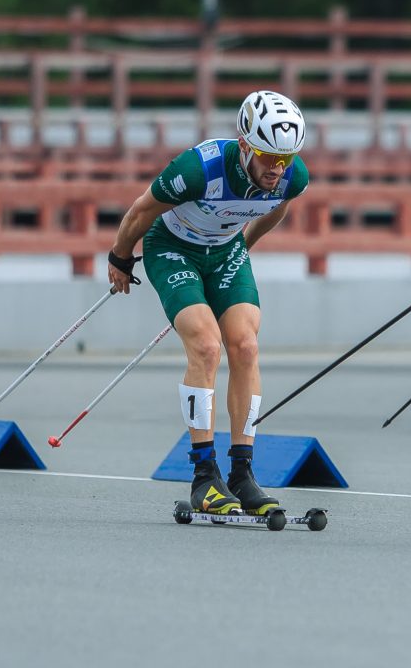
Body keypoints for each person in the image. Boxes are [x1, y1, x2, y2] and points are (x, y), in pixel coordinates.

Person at [107, 90, 310, 515]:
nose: (277, 168)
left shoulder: (293, 176)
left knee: (246, 346)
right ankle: (204, 477)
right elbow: (141, 211)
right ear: (244, 145)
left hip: (225, 250)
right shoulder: (198, 169)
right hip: (173, 247)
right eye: (268, 157)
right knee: (205, 345)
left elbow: (277, 208)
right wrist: (120, 258)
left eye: (286, 158)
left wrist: (243, 247)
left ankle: (242, 475)